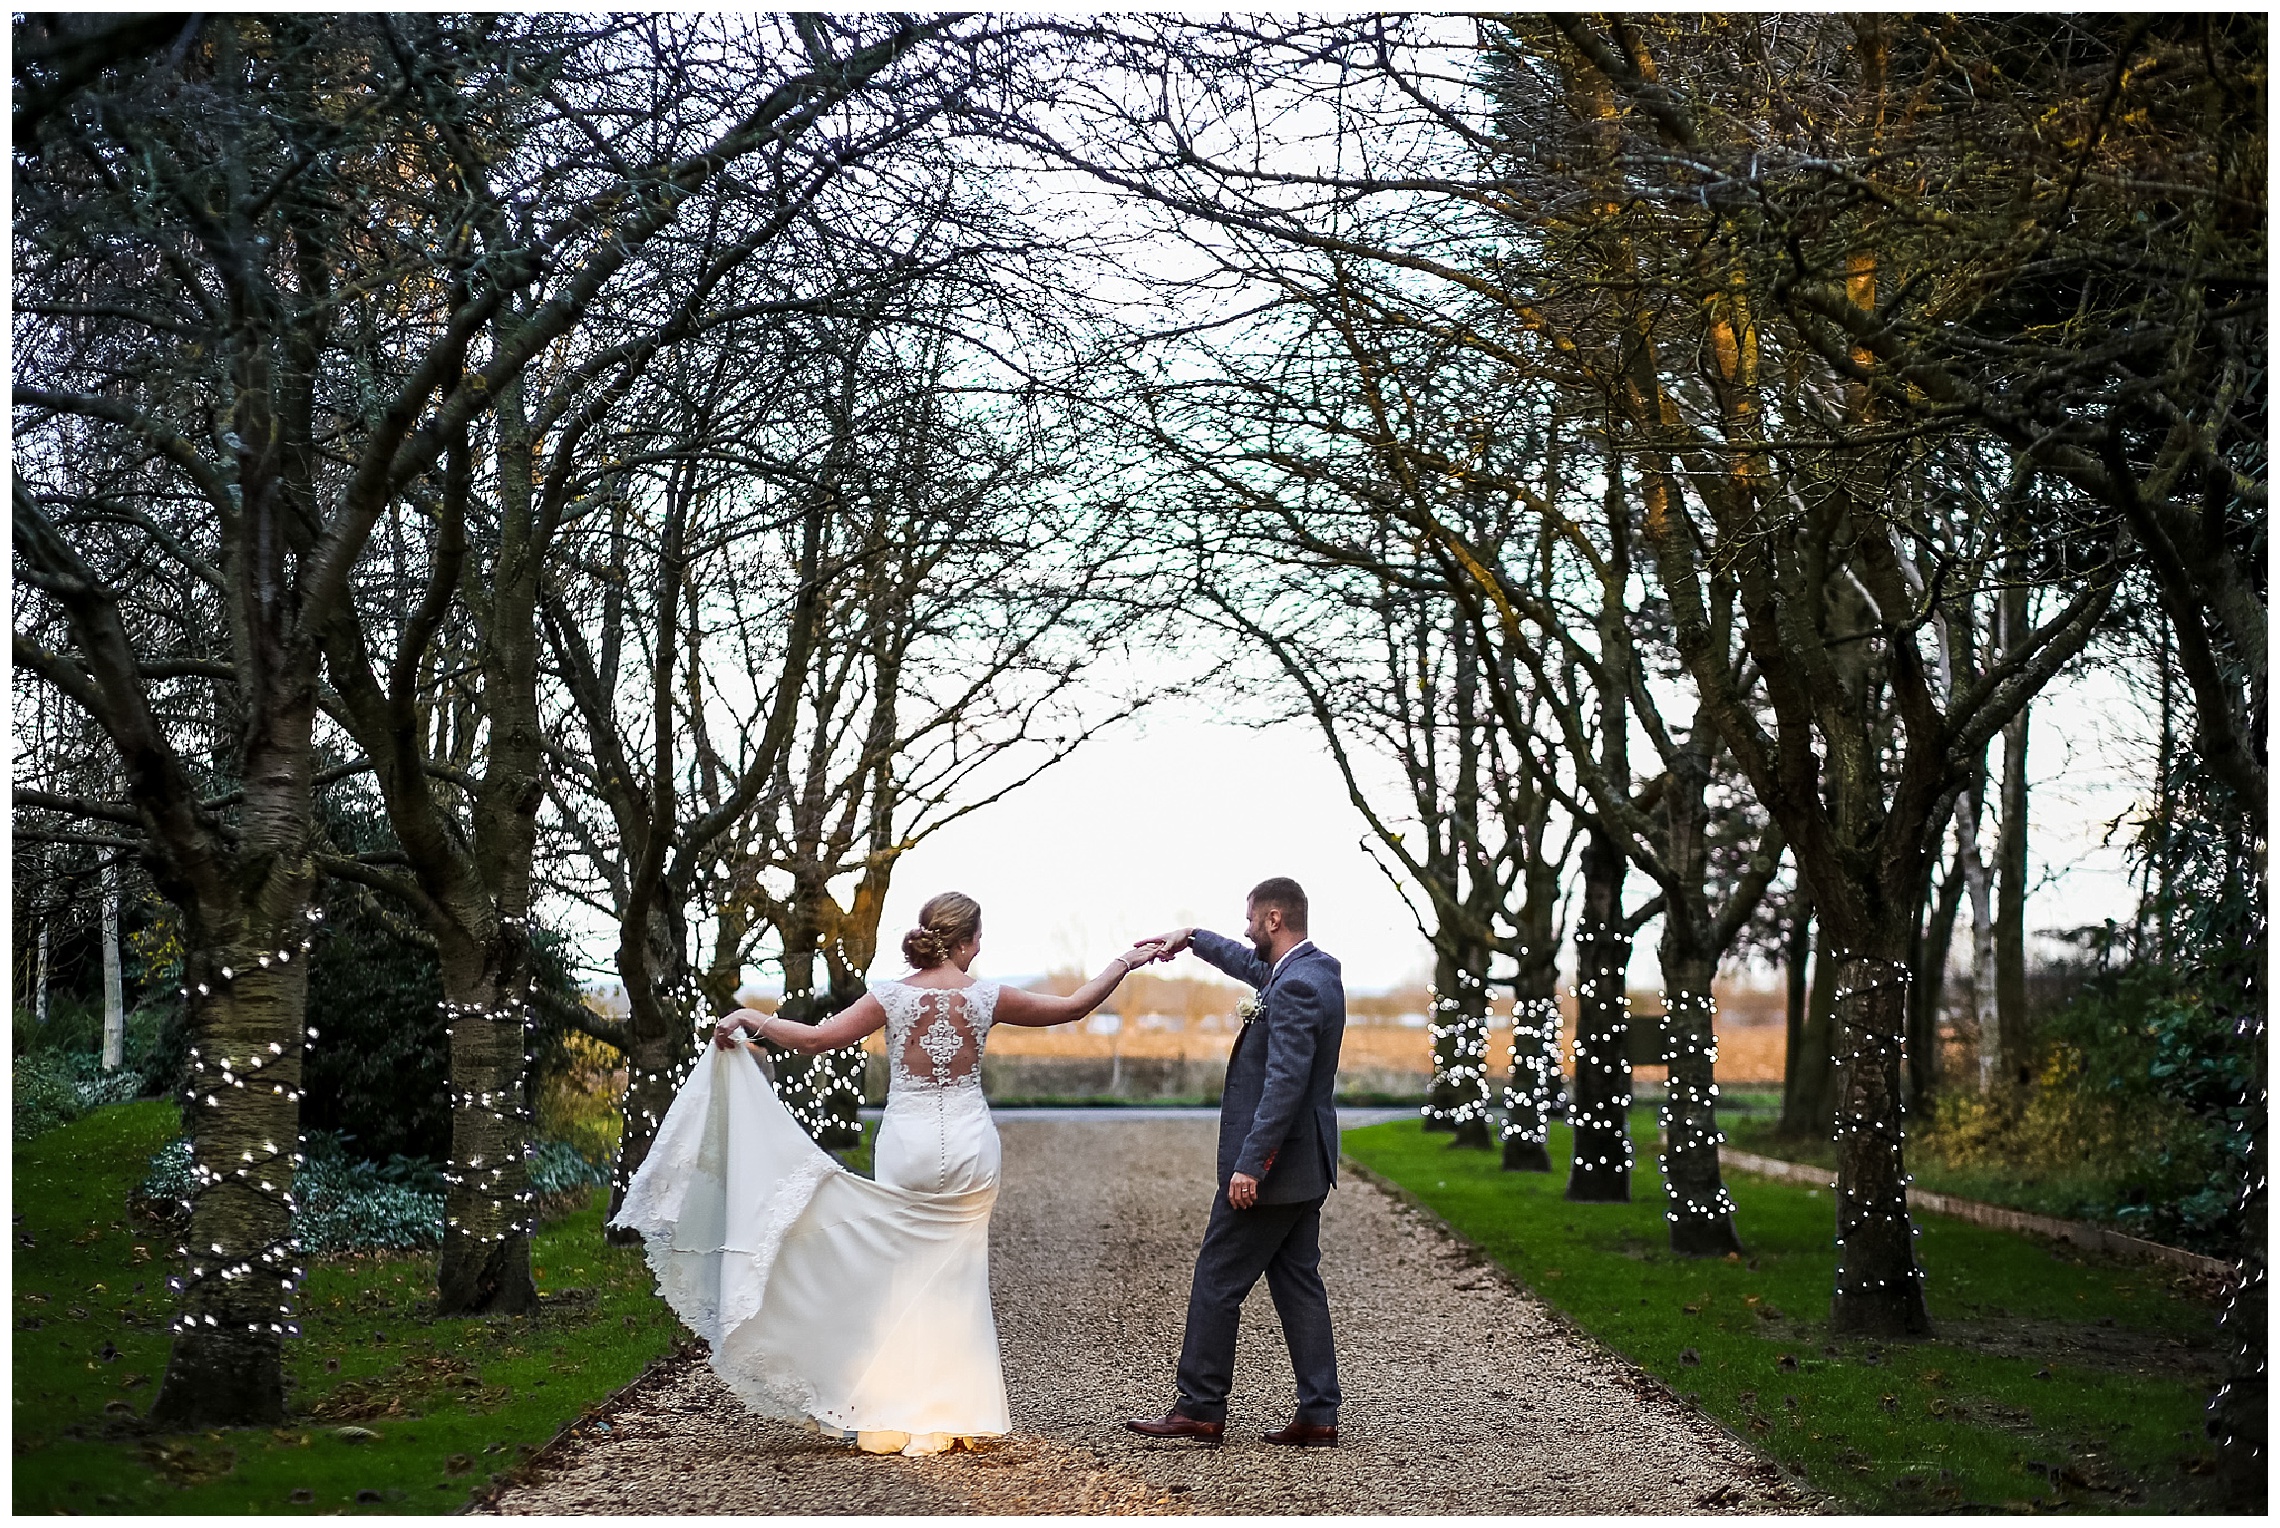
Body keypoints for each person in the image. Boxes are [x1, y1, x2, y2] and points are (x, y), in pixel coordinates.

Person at [610, 891, 1162, 1457]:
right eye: (980, 937)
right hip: (971, 1145)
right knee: (956, 1279)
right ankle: (944, 1414)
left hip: (908, 1145)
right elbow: (1073, 1007)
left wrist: (754, 1018)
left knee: (901, 1277)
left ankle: (887, 1416)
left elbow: (819, 1039)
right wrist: (1125, 961)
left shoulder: (891, 996)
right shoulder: (988, 995)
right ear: (968, 941)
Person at [1125, 876, 1346, 1447]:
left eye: (1250, 920)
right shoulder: (1314, 971)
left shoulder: (1294, 987)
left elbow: (1285, 1086)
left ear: (1273, 919)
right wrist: (1193, 938)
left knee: (1217, 1278)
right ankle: (1319, 1413)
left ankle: (1199, 1407)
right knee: (1298, 1284)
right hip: (1307, 1168)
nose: (1247, 931)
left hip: (1275, 1171)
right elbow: (1249, 968)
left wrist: (1252, 1165)